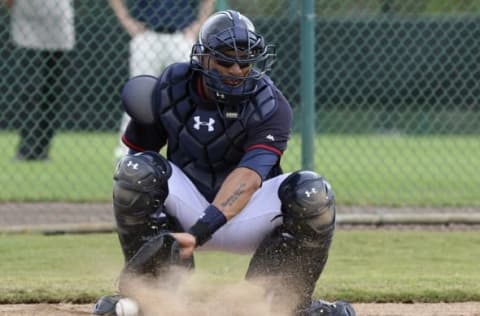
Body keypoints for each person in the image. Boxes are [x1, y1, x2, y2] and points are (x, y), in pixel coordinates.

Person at [93, 10, 356, 316]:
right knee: (135, 173)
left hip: (245, 214)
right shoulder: (172, 86)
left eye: (245, 61)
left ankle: (289, 304)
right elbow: (140, 155)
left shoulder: (270, 104)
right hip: (187, 205)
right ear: (203, 57)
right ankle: (151, 296)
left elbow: (248, 178)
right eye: (225, 59)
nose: (236, 69)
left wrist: (201, 231)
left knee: (313, 193)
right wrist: (142, 120)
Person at [108, 0, 215, 161]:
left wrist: (198, 26)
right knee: (138, 95)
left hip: (181, 36)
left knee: (188, 95)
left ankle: (190, 150)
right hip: (147, 34)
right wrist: (127, 21)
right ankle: (127, 153)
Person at [5, 0, 75, 161]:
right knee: (29, 92)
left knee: (52, 94)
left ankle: (42, 148)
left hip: (60, 34)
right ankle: (27, 148)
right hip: (27, 33)